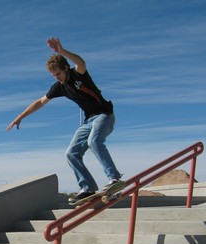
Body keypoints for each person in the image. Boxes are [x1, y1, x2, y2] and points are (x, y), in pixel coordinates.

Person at [7, 37, 124, 202]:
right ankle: (88, 187)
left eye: (59, 74)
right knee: (71, 153)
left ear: (66, 68)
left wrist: (62, 51)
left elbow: (81, 62)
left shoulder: (78, 74)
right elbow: (40, 102)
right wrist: (20, 117)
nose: (57, 78)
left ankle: (114, 178)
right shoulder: (59, 87)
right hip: (88, 121)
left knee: (94, 142)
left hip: (104, 116)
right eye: (53, 75)